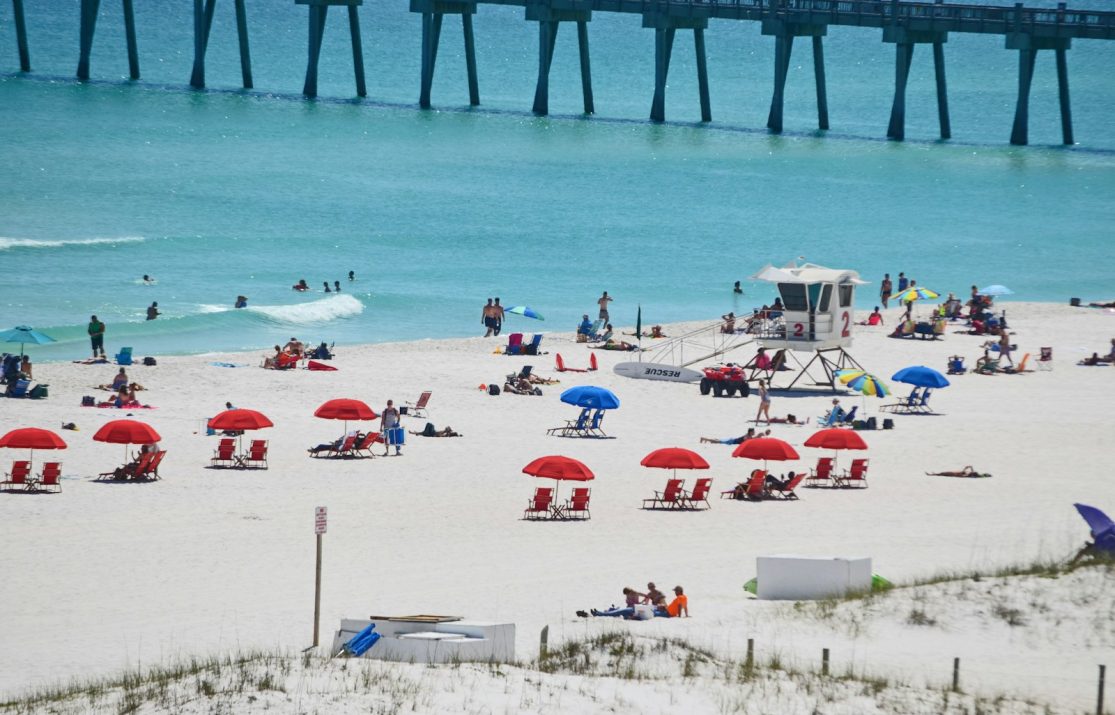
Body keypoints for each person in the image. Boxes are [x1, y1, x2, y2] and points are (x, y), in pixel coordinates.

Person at [926, 466, 992, 478]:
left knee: (943, 474)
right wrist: (968, 468)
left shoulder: (967, 475)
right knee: (942, 473)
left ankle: (932, 474)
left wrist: (966, 470)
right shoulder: (967, 474)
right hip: (953, 474)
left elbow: (964, 475)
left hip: (953, 474)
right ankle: (933, 474)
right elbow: (969, 471)